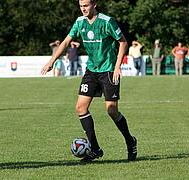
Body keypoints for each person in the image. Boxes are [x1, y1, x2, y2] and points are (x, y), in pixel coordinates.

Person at [41, 0, 137, 162]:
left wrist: (117, 66)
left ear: (95, 4)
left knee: (111, 110)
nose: (83, 9)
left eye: (86, 5)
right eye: (81, 6)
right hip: (91, 71)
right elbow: (65, 42)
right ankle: (95, 149)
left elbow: (123, 42)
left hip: (108, 70)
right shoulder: (80, 22)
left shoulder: (107, 22)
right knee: (80, 107)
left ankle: (130, 140)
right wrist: (52, 61)